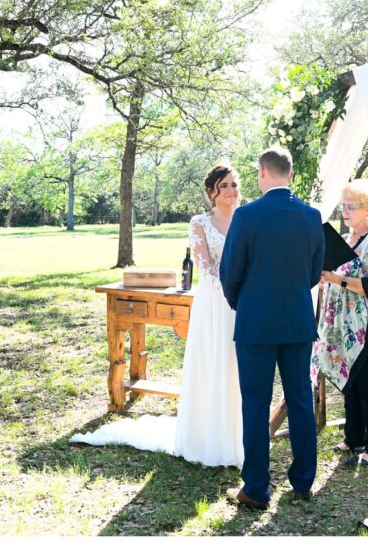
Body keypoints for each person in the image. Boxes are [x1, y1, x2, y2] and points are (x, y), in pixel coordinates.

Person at [70, 164, 244, 469]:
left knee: (235, 365)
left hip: (243, 302)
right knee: (212, 362)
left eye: (234, 184)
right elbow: (204, 268)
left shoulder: (247, 218)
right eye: (224, 185)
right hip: (215, 302)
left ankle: (235, 435)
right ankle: (206, 436)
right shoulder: (199, 222)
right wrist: (233, 292)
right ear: (212, 191)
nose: (231, 191)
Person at [219, 146, 324, 509]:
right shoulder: (312, 217)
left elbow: (229, 272)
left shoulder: (247, 216)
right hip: (296, 322)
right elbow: (314, 272)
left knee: (256, 404)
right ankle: (303, 481)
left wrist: (243, 303)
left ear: (262, 172)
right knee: (300, 401)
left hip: (256, 325)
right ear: (290, 175)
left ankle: (257, 489)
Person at [311, 179, 368, 466]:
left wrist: (338, 280)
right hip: (344, 325)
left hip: (366, 324)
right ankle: (353, 436)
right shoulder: (346, 240)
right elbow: (340, 276)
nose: (344, 212)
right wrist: (327, 282)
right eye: (343, 206)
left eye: (351, 207)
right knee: (351, 381)